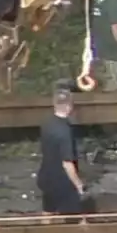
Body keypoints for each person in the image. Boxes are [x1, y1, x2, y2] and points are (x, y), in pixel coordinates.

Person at [36, 84, 85, 215]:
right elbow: (67, 163)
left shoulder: (46, 123)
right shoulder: (65, 131)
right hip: (63, 183)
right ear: (70, 107)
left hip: (46, 177)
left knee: (48, 212)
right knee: (74, 218)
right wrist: (78, 184)